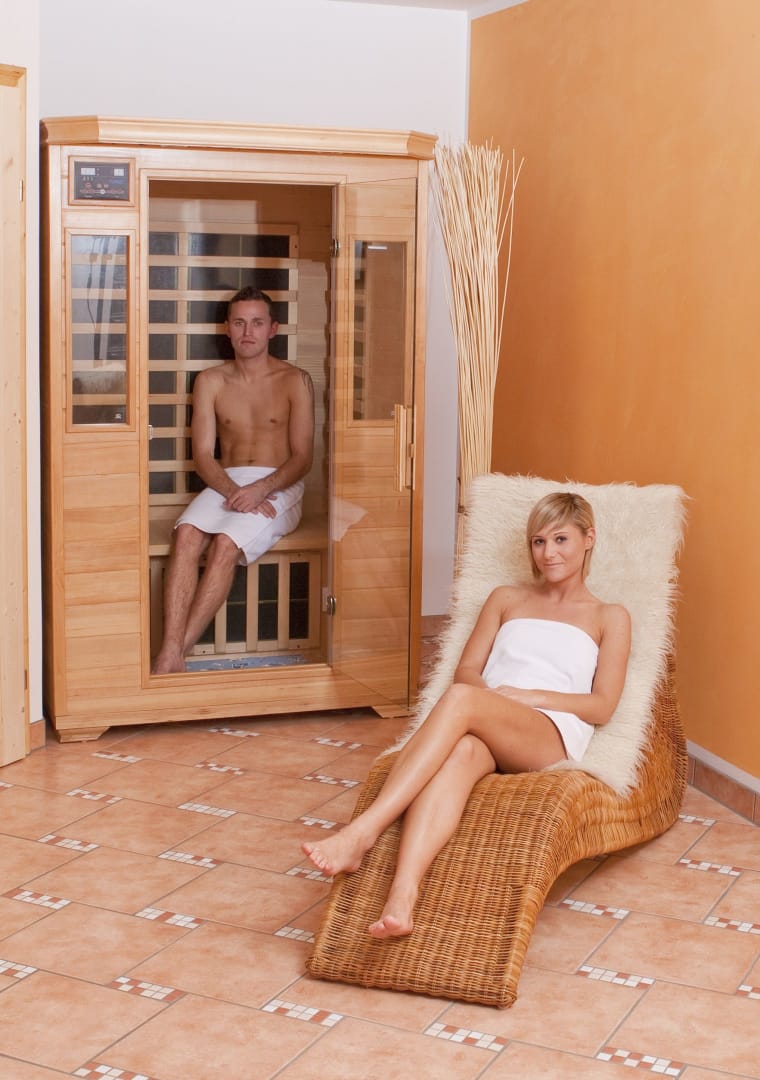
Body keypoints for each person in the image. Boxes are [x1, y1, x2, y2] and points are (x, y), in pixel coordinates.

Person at [302, 491, 631, 938]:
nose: (548, 553)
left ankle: (363, 832)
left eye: (561, 539)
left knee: (460, 699)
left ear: (588, 539)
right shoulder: (506, 598)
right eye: (538, 541)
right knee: (460, 753)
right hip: (488, 717)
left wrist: (528, 697)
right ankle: (402, 897)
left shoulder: (610, 616)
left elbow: (603, 705)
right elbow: (468, 671)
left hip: (548, 733)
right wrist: (492, 701)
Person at [151, 287, 315, 675]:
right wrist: (234, 491)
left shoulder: (295, 380)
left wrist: (262, 489)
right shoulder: (211, 381)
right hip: (227, 480)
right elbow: (203, 456)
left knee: (225, 543)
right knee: (186, 533)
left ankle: (170, 658)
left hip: (280, 483)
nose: (247, 332)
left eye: (257, 323)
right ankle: (172, 651)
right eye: (239, 323)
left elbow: (303, 458)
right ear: (227, 328)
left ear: (273, 329)